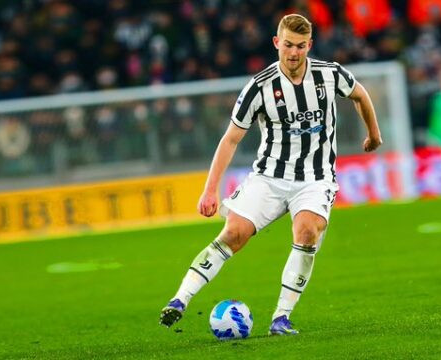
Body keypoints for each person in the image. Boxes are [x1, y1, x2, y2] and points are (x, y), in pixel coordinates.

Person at [159, 14, 382, 335]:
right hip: (269, 178)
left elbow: (360, 94)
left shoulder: (329, 74)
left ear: (310, 46)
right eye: (288, 45)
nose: (294, 53)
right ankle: (180, 299)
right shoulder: (259, 87)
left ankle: (281, 318)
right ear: (277, 43)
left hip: (315, 178)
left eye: (301, 46)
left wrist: (373, 134)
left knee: (307, 232)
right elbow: (231, 139)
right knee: (234, 234)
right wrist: (210, 190)